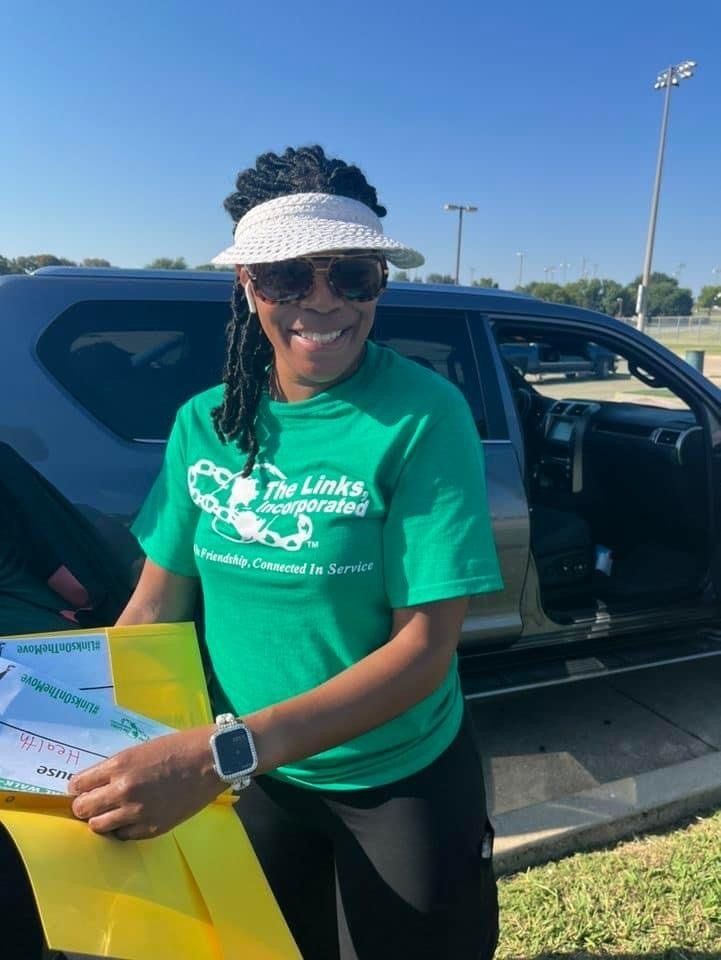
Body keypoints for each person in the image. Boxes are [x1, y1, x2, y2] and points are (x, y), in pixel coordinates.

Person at [68, 145, 504, 960]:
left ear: (379, 282)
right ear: (247, 286)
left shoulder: (423, 416)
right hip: (254, 781)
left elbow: (423, 651)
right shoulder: (206, 422)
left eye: (351, 276)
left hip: (393, 776)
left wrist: (215, 756)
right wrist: (71, 731)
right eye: (286, 277)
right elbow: (155, 604)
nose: (322, 301)